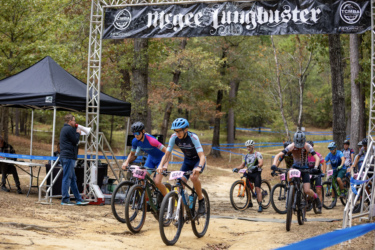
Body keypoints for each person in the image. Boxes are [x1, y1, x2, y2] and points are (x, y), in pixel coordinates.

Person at [157, 118, 206, 215]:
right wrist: (160, 165)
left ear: (186, 129)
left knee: (193, 177)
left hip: (197, 161)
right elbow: (167, 154)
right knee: (179, 184)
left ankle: (201, 200)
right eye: (176, 131)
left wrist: (199, 167)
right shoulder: (173, 137)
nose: (177, 133)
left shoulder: (193, 137)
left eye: (179, 131)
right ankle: (181, 214)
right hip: (187, 161)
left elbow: (202, 156)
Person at [271, 131, 322, 214]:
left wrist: (315, 168)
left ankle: (316, 198)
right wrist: (274, 165)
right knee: (289, 173)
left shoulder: (307, 146)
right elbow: (278, 155)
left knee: (307, 190)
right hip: (295, 167)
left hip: (305, 169)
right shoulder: (291, 146)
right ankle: (290, 189)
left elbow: (317, 158)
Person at [122, 121, 168, 196]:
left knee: (157, 182)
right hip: (151, 159)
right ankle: (147, 200)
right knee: (141, 177)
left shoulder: (152, 141)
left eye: (138, 133)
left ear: (143, 131)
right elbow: (132, 154)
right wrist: (126, 162)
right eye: (134, 133)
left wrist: (164, 165)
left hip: (161, 159)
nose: (136, 135)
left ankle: (168, 199)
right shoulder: (135, 141)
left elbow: (167, 152)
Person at [60, 114, 88, 206]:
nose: (75, 122)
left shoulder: (66, 129)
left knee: (72, 179)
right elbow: (75, 141)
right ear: (69, 121)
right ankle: (65, 199)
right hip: (68, 156)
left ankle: (78, 199)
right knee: (67, 178)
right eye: (74, 120)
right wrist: (78, 133)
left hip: (68, 156)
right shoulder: (68, 129)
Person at [232, 140, 264, 212]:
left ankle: (260, 205)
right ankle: (249, 202)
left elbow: (261, 163)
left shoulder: (257, 154)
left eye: (249, 146)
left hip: (256, 173)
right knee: (247, 188)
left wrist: (256, 166)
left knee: (257, 189)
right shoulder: (246, 156)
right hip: (249, 173)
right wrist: (236, 168)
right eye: (247, 147)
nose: (248, 148)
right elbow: (242, 165)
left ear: (253, 147)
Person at [307, 140, 326, 213]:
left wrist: (323, 172)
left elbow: (323, 163)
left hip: (317, 174)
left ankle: (319, 207)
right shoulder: (304, 156)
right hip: (309, 174)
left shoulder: (317, 154)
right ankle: (308, 202)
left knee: (318, 190)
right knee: (307, 189)